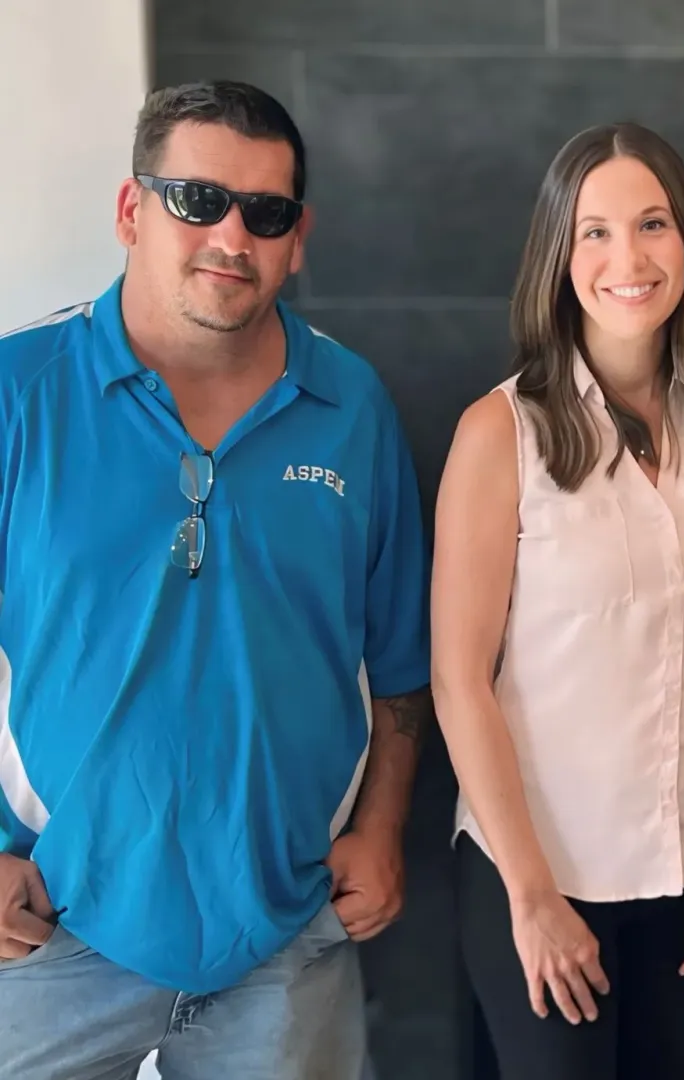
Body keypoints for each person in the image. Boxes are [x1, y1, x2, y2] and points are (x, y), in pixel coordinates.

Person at [0, 80, 430, 1078]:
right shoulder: (20, 396)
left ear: (297, 236)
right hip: (52, 919)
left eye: (265, 213)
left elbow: (400, 655)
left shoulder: (350, 406)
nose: (231, 236)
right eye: (197, 199)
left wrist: (382, 826)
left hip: (287, 928)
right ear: (130, 211)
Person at [432, 122, 684, 1080]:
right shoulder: (497, 433)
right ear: (558, 255)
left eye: (652, 225)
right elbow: (459, 679)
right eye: (594, 231)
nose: (627, 258)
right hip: (547, 877)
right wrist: (530, 896)